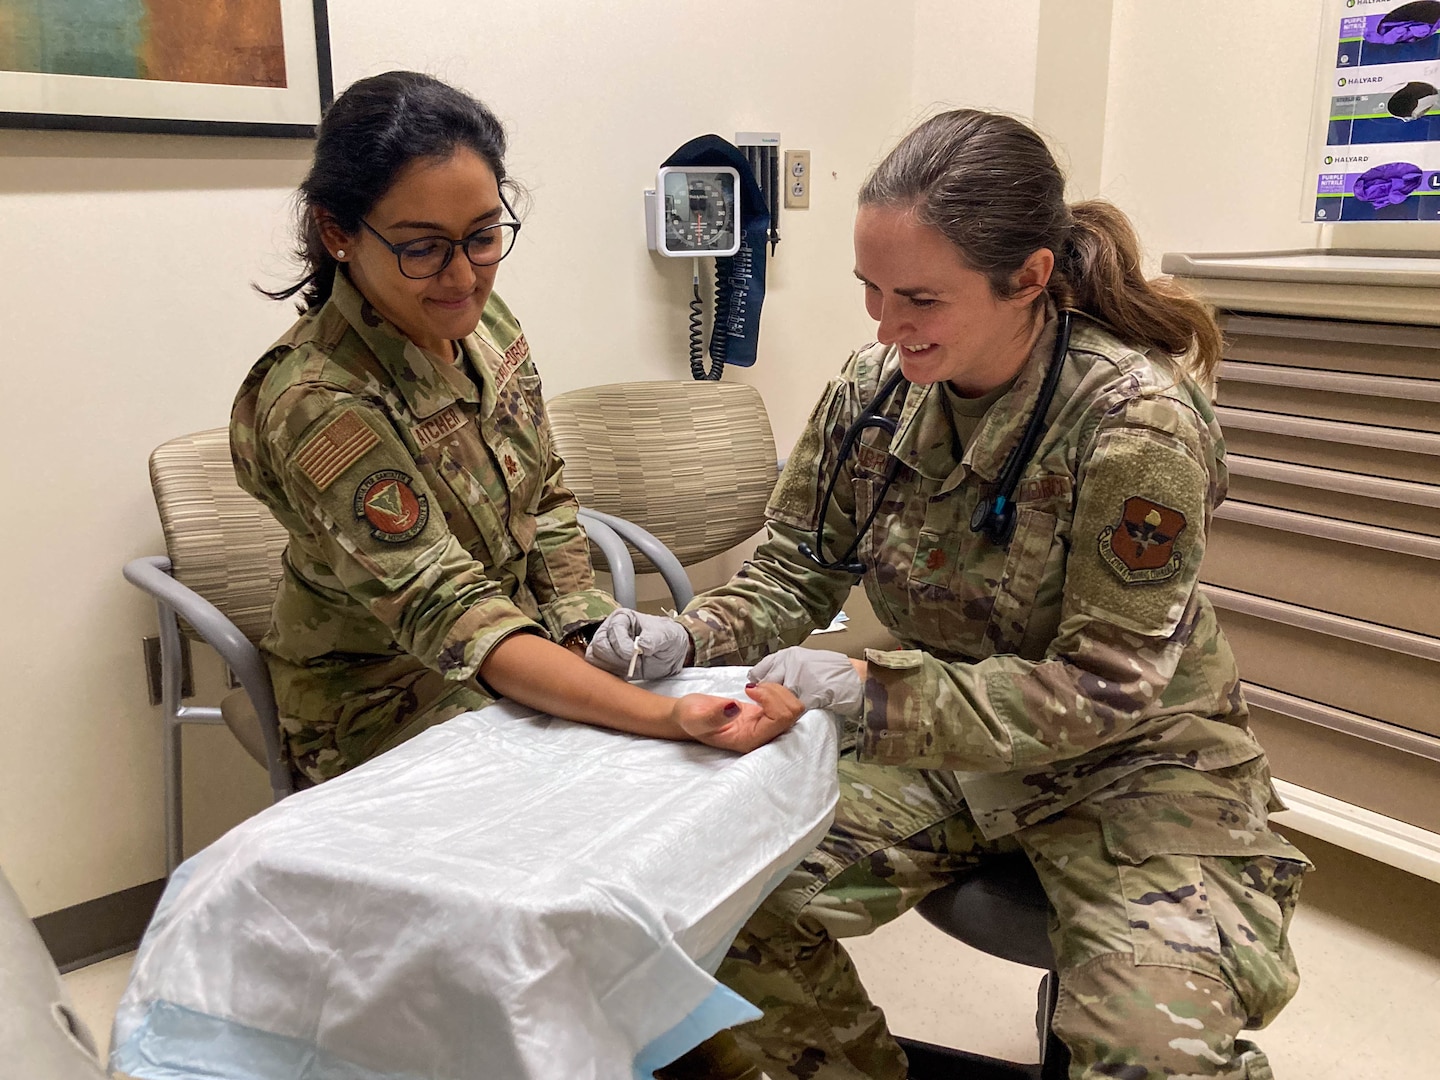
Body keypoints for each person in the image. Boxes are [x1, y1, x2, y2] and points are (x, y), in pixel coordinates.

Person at [590, 110, 1311, 1080]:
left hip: (1137, 767)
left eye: (919, 299)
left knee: (1153, 1056)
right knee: (711, 919)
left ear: (1028, 280)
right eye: (870, 291)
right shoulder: (872, 393)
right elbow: (795, 568)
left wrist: (868, 694)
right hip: (948, 750)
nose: (885, 328)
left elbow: (1108, 689)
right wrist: (688, 634)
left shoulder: (1134, 425)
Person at [231, 71, 800, 784]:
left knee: (705, 774)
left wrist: (586, 624)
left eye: (482, 236)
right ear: (338, 231)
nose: (463, 276)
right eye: (422, 247)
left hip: (520, 652)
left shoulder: (484, 327)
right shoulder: (321, 400)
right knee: (623, 787)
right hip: (383, 703)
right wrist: (656, 717)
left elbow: (548, 498)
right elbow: (451, 611)